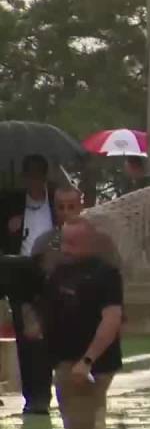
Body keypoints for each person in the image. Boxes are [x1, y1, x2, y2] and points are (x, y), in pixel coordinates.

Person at [32, 219, 124, 429]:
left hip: (90, 366)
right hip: (63, 362)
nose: (67, 249)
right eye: (64, 242)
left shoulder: (105, 275)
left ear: (89, 242)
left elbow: (111, 320)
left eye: (74, 243)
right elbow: (46, 309)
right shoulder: (59, 273)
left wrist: (87, 360)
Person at [1, 153, 57, 414]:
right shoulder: (10, 202)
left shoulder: (56, 201)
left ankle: (43, 392)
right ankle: (32, 397)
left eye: (39, 176)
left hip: (49, 272)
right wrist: (9, 228)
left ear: (44, 178)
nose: (34, 182)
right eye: (29, 176)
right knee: (25, 335)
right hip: (20, 272)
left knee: (45, 335)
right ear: (24, 178)